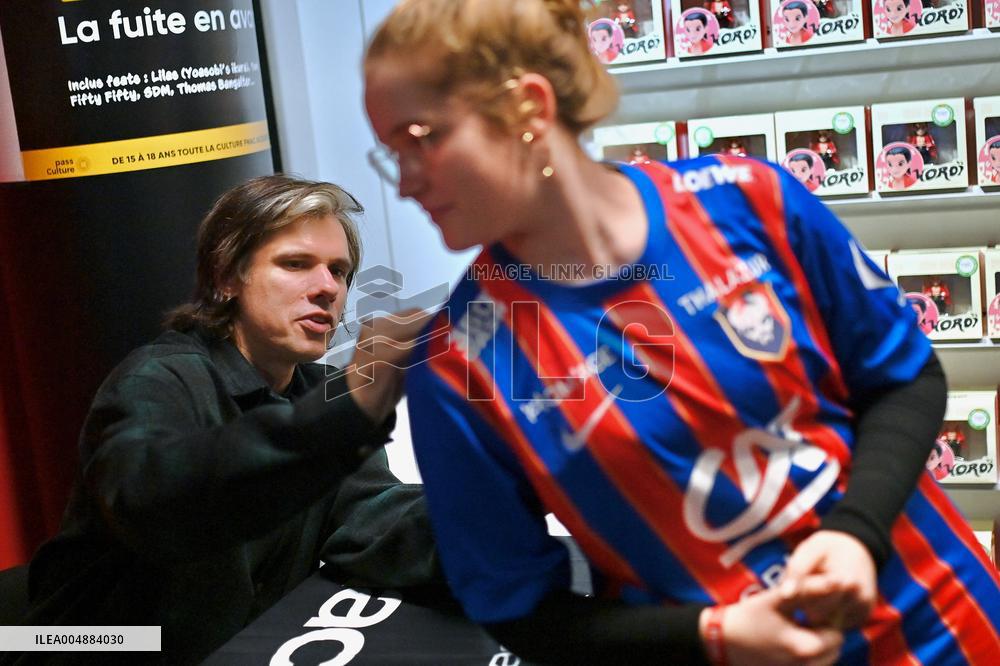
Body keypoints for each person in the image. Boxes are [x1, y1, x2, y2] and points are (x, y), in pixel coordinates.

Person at [364, 1, 1000, 664]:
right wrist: (717, 637)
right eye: (391, 154)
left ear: (528, 107)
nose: (406, 183)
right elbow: (520, 611)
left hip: (944, 624)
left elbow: (902, 378)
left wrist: (855, 534)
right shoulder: (456, 364)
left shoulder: (749, 200)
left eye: (423, 139)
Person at [7, 176, 439, 665]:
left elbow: (373, 519)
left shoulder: (321, 389)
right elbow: (160, 502)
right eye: (296, 264)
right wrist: (344, 417)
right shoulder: (159, 378)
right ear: (225, 278)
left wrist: (497, 513)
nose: (327, 288)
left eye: (339, 272)